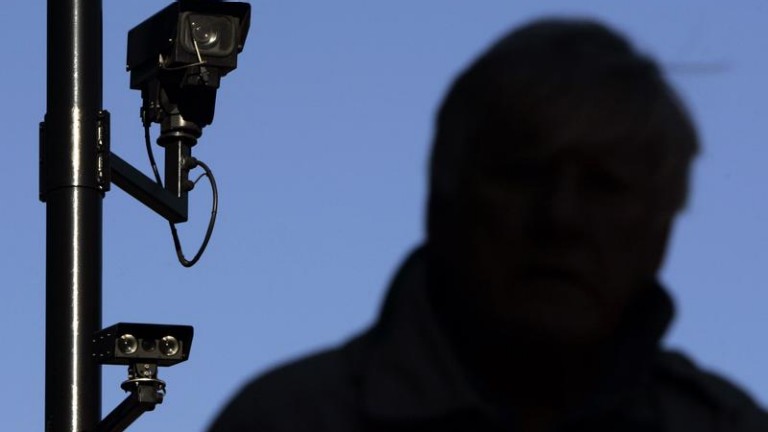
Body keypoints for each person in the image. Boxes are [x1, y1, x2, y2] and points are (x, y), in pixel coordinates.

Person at [209, 19, 768, 431]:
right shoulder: (290, 419)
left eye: (605, 186)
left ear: (660, 228)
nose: (561, 217)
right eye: (523, 173)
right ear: (445, 194)